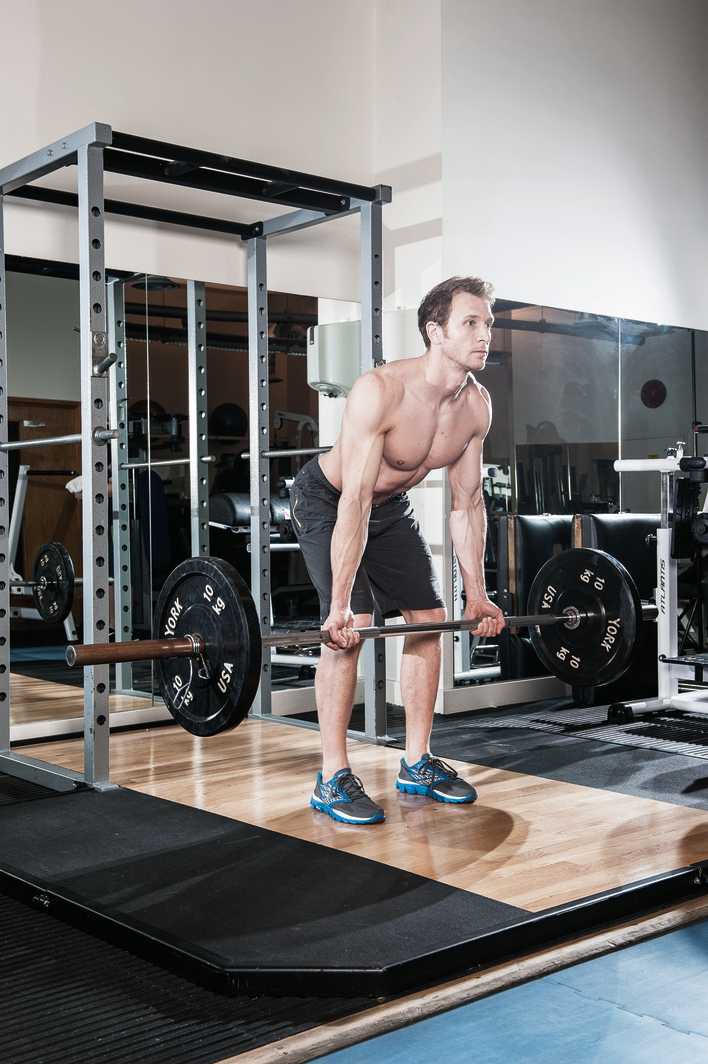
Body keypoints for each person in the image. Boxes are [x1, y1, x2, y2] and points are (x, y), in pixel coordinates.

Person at [289, 276, 505, 825]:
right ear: (436, 332)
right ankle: (332, 774)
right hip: (329, 499)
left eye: (488, 323)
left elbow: (467, 505)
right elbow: (355, 499)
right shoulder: (380, 390)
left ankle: (416, 761)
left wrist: (477, 596)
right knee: (354, 624)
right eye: (471, 324)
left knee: (429, 618)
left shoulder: (476, 407)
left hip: (388, 510)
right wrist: (338, 604)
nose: (485, 335)